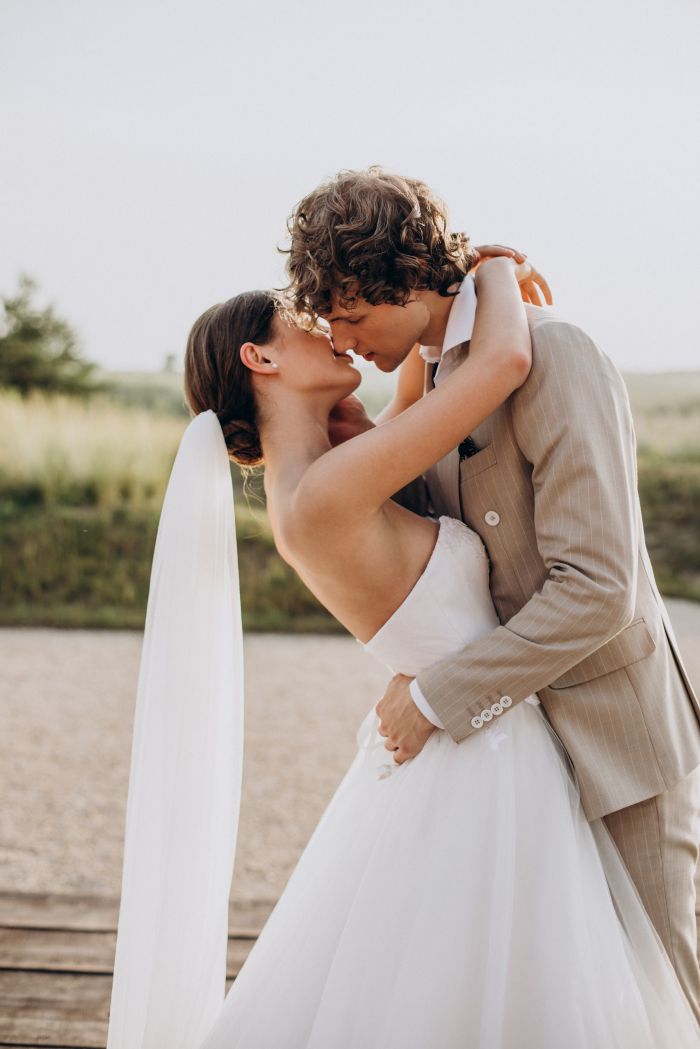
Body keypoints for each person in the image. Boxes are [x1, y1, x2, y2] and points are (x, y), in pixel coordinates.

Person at [138, 258, 696, 1048]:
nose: (330, 326)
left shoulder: (330, 471)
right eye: (304, 317)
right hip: (488, 756)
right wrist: (496, 273)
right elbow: (498, 363)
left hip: (497, 733)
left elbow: (424, 372)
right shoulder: (325, 492)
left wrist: (457, 285)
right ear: (259, 359)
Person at [286, 166, 700, 1022]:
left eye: (351, 313)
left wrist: (438, 694)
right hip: (516, 763)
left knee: (670, 987)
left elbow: (600, 589)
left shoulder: (556, 353)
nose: (343, 338)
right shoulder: (438, 379)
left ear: (401, 278)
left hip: (614, 746)